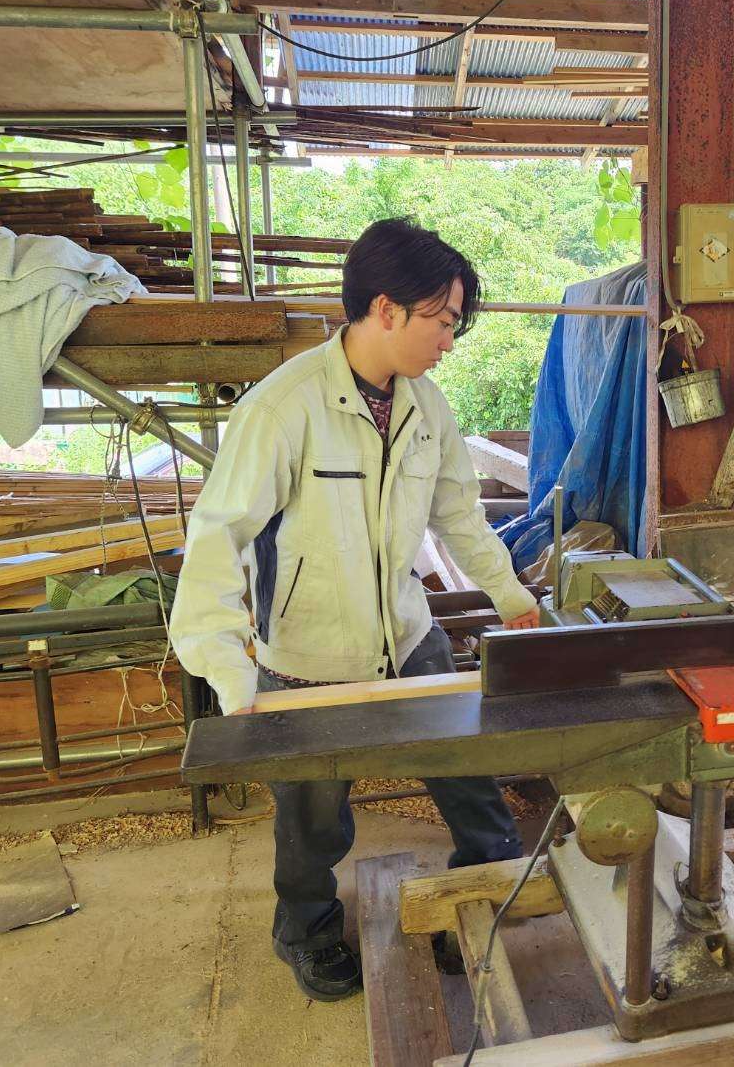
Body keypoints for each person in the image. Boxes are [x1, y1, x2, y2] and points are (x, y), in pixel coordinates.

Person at [170, 217, 540, 1002]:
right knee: (311, 818)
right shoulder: (284, 407)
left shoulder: (426, 406)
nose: (449, 340)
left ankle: (479, 895)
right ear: (385, 309)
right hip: (307, 653)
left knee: (469, 780)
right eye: (442, 320)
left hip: (408, 635)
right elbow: (217, 536)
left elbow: (459, 516)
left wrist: (513, 599)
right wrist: (226, 667)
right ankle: (304, 932)